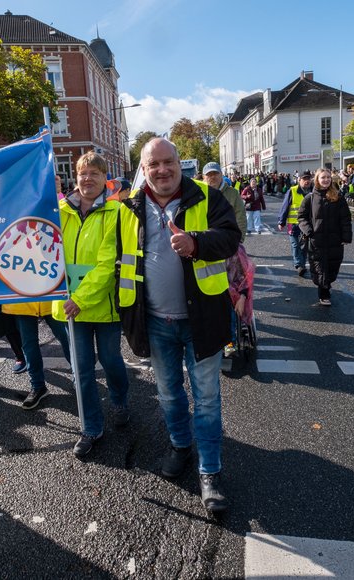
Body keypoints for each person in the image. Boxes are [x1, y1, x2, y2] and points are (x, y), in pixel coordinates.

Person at [116, 137, 240, 513]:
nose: (162, 170)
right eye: (153, 165)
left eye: (168, 162)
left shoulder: (206, 196)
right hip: (154, 320)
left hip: (200, 319)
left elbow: (232, 238)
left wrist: (197, 243)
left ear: (179, 164)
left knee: (205, 399)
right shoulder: (129, 207)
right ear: (144, 169)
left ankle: (209, 470)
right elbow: (117, 257)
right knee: (169, 395)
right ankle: (180, 446)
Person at [53, 151, 130, 458]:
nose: (87, 179)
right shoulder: (56, 211)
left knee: (111, 360)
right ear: (76, 176)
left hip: (102, 306)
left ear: (104, 179)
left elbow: (107, 264)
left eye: (94, 174)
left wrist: (80, 299)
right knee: (82, 370)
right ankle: (91, 428)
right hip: (70, 308)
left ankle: (121, 398)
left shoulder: (115, 213)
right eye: (83, 173)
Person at [297, 168, 352, 306]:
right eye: (323, 177)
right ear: (317, 180)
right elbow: (302, 217)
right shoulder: (310, 198)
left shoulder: (338, 197)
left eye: (328, 177)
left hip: (335, 240)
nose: (326, 180)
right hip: (317, 240)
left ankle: (327, 285)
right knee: (319, 267)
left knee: (333, 266)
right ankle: (324, 291)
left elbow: (345, 218)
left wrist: (346, 236)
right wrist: (309, 231)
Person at [277, 170, 312, 277]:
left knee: (304, 246)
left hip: (306, 224)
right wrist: (281, 221)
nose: (307, 181)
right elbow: (285, 206)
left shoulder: (313, 192)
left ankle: (302, 265)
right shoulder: (292, 191)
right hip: (293, 224)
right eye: (304, 179)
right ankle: (299, 265)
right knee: (295, 245)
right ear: (299, 180)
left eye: (308, 179)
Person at [203, 161, 246, 244]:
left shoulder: (233, 193)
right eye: (209, 174)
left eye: (215, 173)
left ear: (221, 175)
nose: (213, 176)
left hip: (228, 240)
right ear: (203, 177)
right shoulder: (198, 193)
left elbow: (240, 216)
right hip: (205, 240)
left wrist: (240, 239)